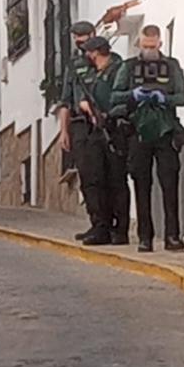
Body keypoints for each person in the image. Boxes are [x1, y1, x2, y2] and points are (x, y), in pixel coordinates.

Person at [112, 24, 184, 252]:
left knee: (170, 184)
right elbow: (115, 96)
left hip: (165, 130)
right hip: (138, 130)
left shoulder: (171, 66)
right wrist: (133, 96)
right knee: (141, 184)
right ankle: (145, 237)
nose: (149, 51)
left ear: (160, 44)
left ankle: (172, 236)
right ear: (139, 44)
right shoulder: (128, 67)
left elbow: (182, 97)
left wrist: (163, 98)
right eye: (145, 46)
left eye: (153, 46)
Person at [59, 22, 129, 244]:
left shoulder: (114, 62)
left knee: (115, 178)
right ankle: (98, 225)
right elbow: (65, 100)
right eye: (76, 37)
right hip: (82, 126)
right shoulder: (75, 65)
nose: (79, 41)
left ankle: (119, 228)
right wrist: (64, 130)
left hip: (109, 125)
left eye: (83, 36)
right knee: (90, 178)